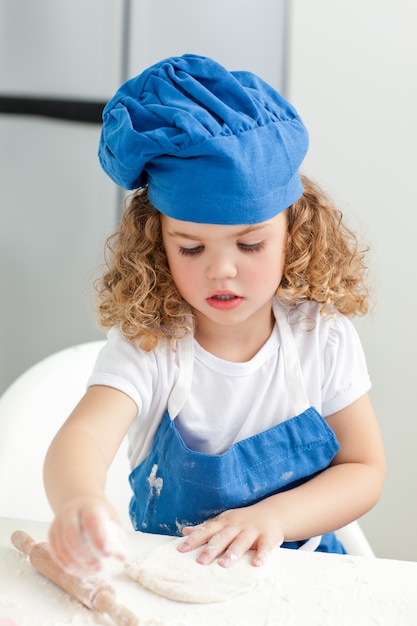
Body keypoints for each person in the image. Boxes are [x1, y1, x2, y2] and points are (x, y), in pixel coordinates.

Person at [43, 54, 385, 575]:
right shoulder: (151, 343)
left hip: (308, 578)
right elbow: (83, 438)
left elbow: (364, 468)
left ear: (294, 235)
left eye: (249, 245)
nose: (221, 271)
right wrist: (78, 503)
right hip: (176, 578)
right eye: (191, 249)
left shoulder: (322, 336)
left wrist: (273, 517)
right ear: (157, 244)